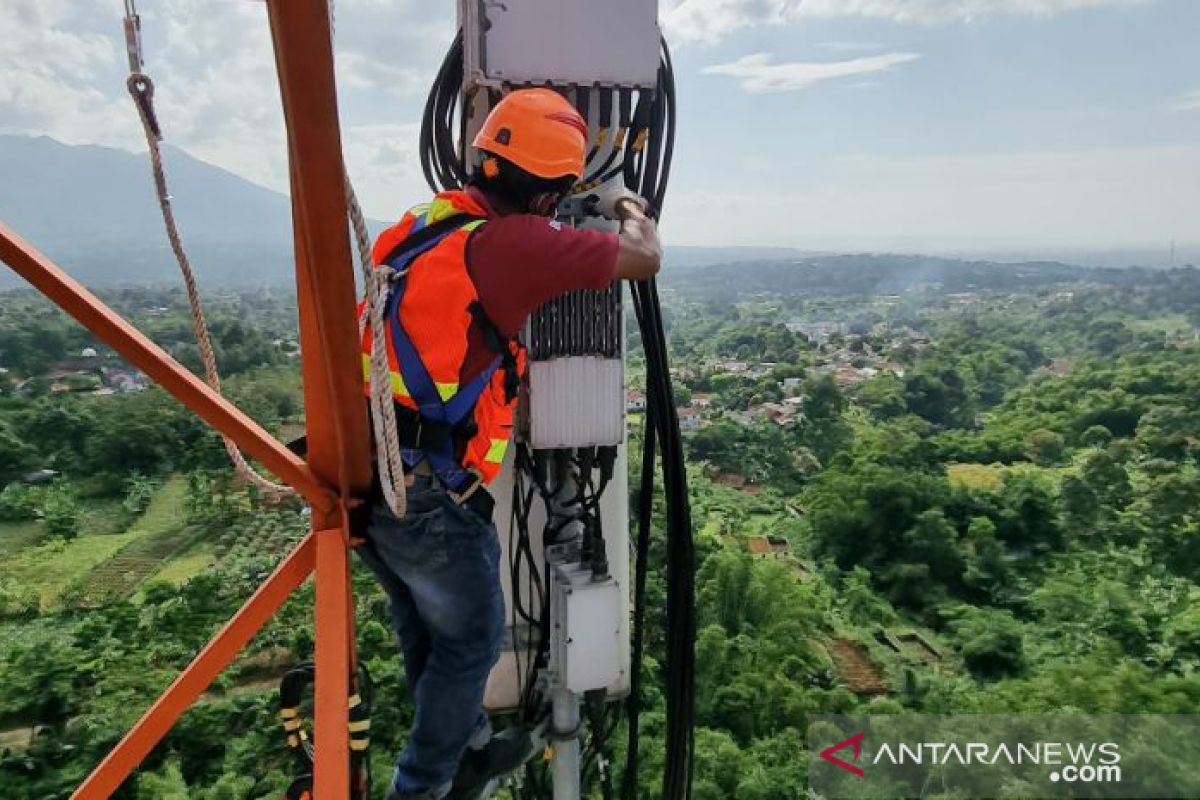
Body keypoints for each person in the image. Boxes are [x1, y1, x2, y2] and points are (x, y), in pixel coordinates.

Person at [355, 87, 661, 800]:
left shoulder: (422, 226)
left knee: (426, 625)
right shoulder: (515, 243)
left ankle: (467, 743)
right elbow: (643, 257)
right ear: (550, 194)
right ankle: (428, 786)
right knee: (468, 639)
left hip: (371, 467)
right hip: (430, 488)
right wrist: (623, 202)